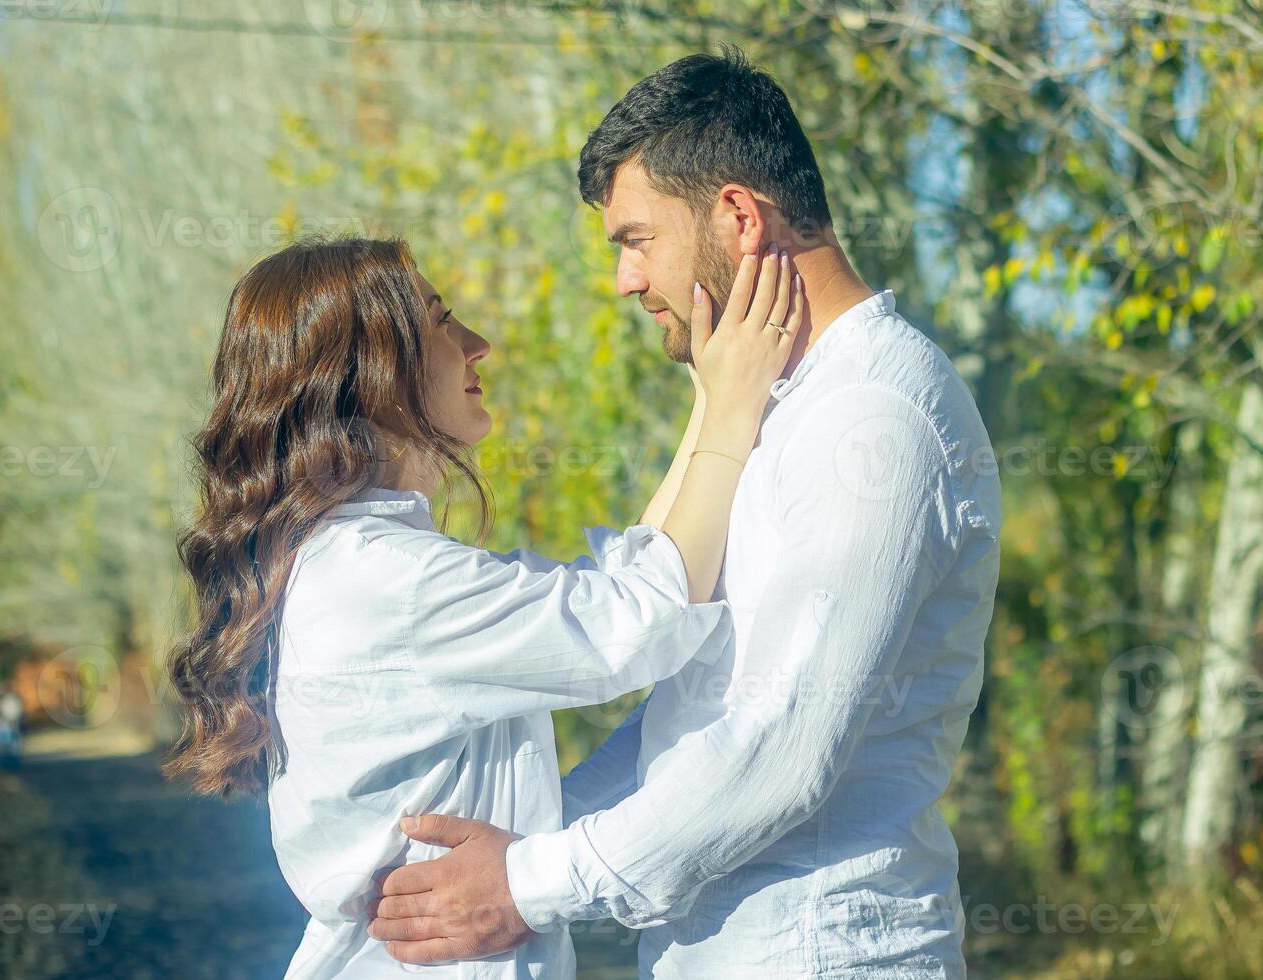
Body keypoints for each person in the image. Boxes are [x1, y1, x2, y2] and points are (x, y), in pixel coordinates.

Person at [371, 48, 1003, 979]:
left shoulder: (874, 416)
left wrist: (530, 882)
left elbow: (782, 745)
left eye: (636, 239)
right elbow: (697, 708)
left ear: (739, 218)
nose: (625, 281)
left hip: (824, 954)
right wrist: (523, 843)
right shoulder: (784, 406)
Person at [162, 235, 804, 978]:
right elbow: (642, 621)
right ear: (371, 373)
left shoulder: (343, 565)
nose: (479, 345)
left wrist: (708, 396)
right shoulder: (386, 581)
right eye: (442, 322)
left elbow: (634, 589)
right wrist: (731, 409)